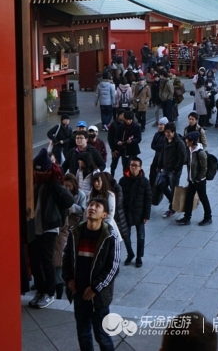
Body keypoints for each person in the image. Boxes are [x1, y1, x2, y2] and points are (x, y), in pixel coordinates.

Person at [62, 197, 121, 351]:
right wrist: (68, 279)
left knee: (102, 335)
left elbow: (113, 267)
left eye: (97, 206)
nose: (92, 208)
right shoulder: (75, 231)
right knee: (83, 333)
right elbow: (66, 257)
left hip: (99, 297)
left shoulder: (110, 236)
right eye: (90, 205)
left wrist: (95, 288)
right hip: (79, 292)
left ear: (104, 214)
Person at [28, 147, 73, 309]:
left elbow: (68, 202)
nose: (39, 175)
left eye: (42, 172)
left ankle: (49, 292)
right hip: (33, 226)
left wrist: (55, 186)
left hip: (49, 228)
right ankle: (40, 290)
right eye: (36, 172)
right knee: (34, 261)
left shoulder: (55, 182)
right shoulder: (32, 180)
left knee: (46, 261)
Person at [119, 157, 150, 268]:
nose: (133, 168)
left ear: (140, 167)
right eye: (132, 165)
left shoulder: (144, 181)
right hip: (126, 213)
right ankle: (130, 253)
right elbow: (119, 198)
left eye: (136, 165)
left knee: (140, 236)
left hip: (140, 213)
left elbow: (148, 199)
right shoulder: (123, 180)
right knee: (125, 235)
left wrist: (147, 214)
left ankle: (139, 257)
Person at [177, 132, 212, 226]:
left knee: (203, 198)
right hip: (192, 179)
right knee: (189, 198)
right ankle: (187, 218)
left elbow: (204, 168)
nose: (186, 141)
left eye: (187, 139)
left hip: (199, 181)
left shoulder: (200, 153)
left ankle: (208, 217)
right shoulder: (189, 149)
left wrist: (198, 179)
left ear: (192, 141)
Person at [156, 123, 187, 219]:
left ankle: (172, 208)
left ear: (174, 132)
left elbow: (182, 158)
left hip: (174, 170)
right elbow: (162, 153)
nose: (167, 134)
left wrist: (176, 169)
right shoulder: (165, 140)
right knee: (162, 185)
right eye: (166, 132)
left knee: (174, 189)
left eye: (169, 132)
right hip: (165, 168)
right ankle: (173, 201)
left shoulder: (179, 142)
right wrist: (159, 165)